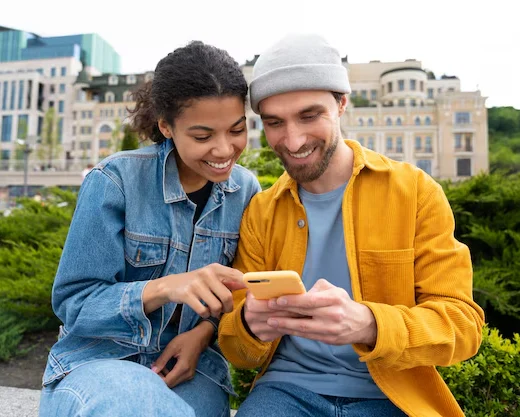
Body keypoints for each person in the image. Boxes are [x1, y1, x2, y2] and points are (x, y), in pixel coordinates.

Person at [219, 34, 485, 417]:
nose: (292, 141)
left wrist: (369, 325)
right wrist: (248, 323)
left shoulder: (415, 192)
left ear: (342, 103)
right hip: (284, 392)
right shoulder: (260, 211)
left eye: (310, 116)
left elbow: (463, 326)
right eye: (275, 123)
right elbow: (236, 349)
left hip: (393, 395)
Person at [39, 41, 261, 417]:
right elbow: (74, 305)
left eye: (237, 129)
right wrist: (161, 288)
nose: (224, 150)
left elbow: (241, 296)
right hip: (97, 362)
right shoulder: (116, 180)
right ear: (166, 127)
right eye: (203, 137)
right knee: (135, 403)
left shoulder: (247, 191)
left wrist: (203, 333)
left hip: (192, 369)